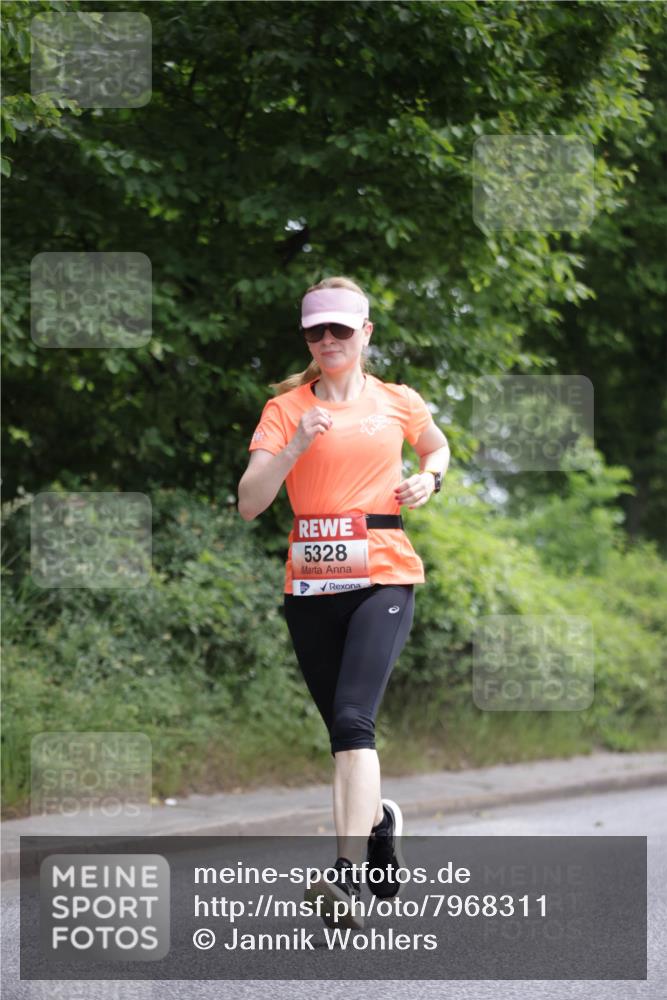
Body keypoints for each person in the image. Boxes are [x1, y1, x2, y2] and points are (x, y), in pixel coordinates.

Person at [237, 275, 449, 930]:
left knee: (355, 721)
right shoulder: (284, 409)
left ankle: (344, 878)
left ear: (364, 334)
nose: (326, 340)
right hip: (310, 585)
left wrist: (428, 478)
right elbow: (249, 503)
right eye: (314, 330)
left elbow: (436, 445)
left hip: (384, 575)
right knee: (342, 736)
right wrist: (297, 443)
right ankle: (379, 819)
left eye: (339, 328)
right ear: (306, 336)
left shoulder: (397, 400)